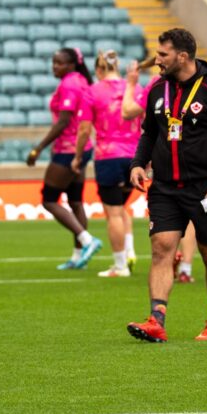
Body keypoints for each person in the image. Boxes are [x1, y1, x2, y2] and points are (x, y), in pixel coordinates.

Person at [126, 28, 207, 342]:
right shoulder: (157, 89)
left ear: (182, 56)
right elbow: (149, 134)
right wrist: (139, 163)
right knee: (161, 250)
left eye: (163, 54)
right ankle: (156, 320)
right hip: (164, 187)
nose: (157, 60)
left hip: (205, 188)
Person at [26, 47, 103, 270]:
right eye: (53, 62)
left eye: (59, 63)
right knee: (75, 201)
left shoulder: (69, 84)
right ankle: (79, 256)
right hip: (84, 146)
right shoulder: (80, 80)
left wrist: (38, 148)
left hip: (68, 148)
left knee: (49, 199)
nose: (54, 67)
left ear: (71, 65)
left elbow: (63, 121)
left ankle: (88, 240)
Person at [123, 56, 197, 283]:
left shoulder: (156, 85)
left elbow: (127, 111)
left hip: (163, 160)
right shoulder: (201, 83)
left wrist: (132, 83)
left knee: (163, 212)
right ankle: (186, 267)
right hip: (194, 159)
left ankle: (171, 254)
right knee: (192, 216)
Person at [73, 50, 142, 277]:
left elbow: (83, 129)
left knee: (113, 213)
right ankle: (130, 251)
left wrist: (77, 156)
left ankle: (120, 265)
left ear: (99, 69)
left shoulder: (92, 92)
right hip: (134, 157)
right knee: (121, 208)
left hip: (108, 156)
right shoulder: (135, 89)